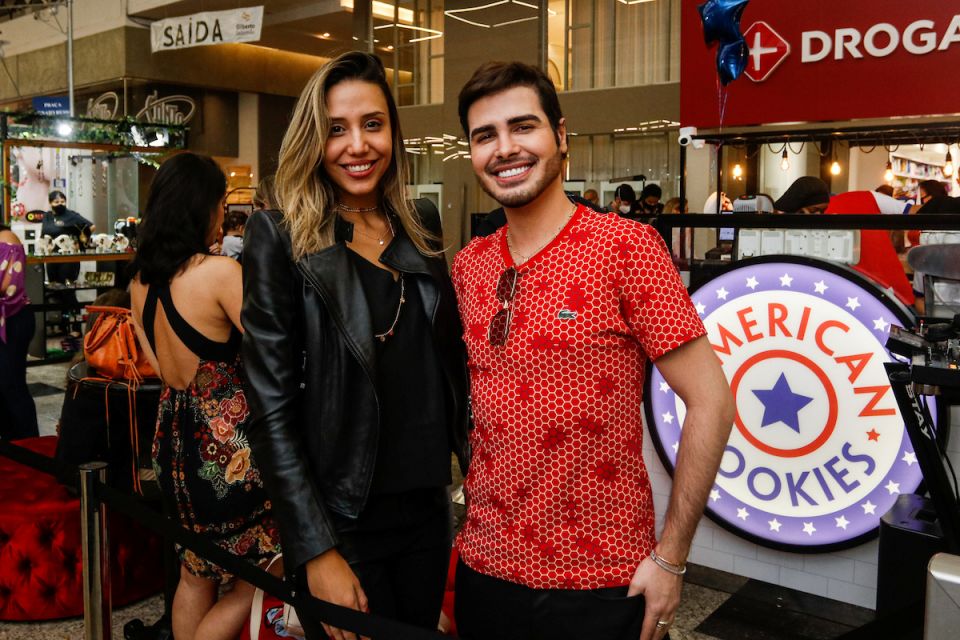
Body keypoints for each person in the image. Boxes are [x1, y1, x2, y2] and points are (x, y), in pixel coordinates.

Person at [451, 60, 734, 640]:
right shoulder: (469, 266)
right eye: (486, 136)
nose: (505, 149)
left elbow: (712, 402)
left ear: (560, 136)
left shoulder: (625, 247)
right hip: (484, 570)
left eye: (523, 127)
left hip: (601, 579)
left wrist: (671, 556)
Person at [241, 51, 469, 640]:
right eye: (335, 129)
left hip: (426, 511)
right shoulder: (282, 236)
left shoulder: (419, 222)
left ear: (393, 129)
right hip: (344, 521)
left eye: (372, 124)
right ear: (313, 141)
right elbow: (269, 409)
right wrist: (315, 549)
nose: (357, 145)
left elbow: (448, 369)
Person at [128, 153, 280, 640]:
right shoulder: (218, 274)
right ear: (202, 207)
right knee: (252, 581)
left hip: (172, 443)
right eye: (220, 204)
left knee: (195, 575)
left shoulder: (139, 282)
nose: (223, 215)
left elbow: (158, 363)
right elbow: (273, 352)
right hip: (228, 452)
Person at [0, 224, 38, 440]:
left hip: (12, 320)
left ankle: (29, 446)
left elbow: (7, 284)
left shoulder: (7, 238)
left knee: (11, 386)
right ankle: (9, 450)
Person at [42, 190, 94, 282]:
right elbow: (44, 234)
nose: (60, 204)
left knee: (66, 289)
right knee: (53, 287)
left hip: (68, 258)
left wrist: (80, 242)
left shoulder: (71, 215)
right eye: (56, 202)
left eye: (62, 202)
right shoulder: (47, 216)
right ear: (50, 203)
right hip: (51, 257)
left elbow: (91, 226)